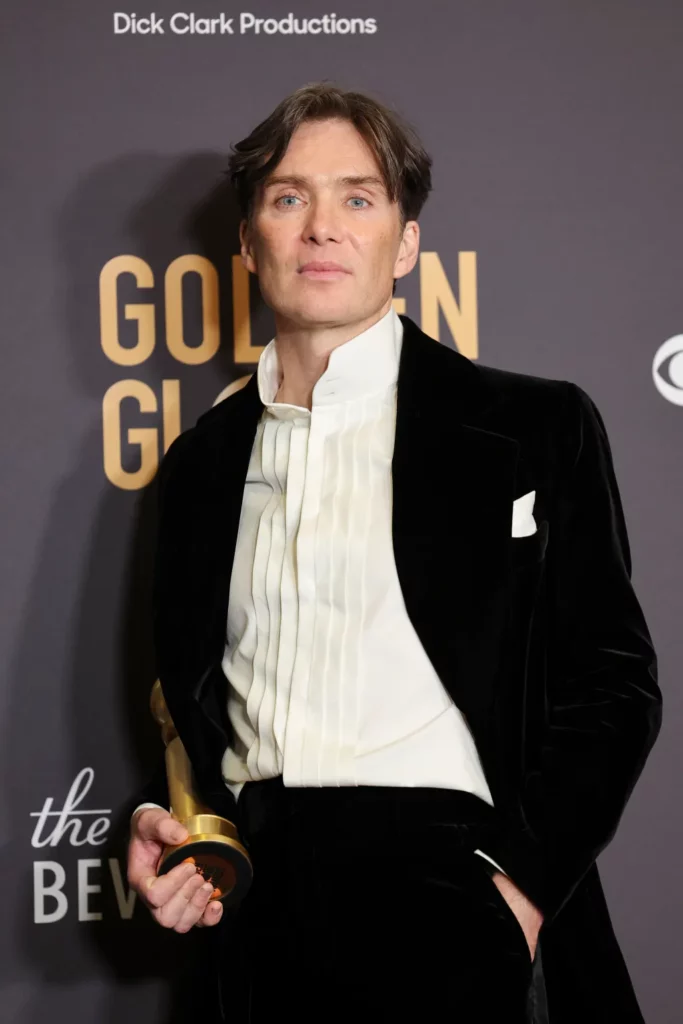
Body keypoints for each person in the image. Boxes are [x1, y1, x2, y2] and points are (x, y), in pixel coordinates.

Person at [126, 83, 662, 1023]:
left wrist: (520, 894)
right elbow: (194, 709)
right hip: (260, 919)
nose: (322, 227)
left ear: (405, 242)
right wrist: (173, 826)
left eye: (358, 197)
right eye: (289, 198)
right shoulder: (200, 466)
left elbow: (612, 687)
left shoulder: (530, 425)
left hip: (457, 894)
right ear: (247, 242)